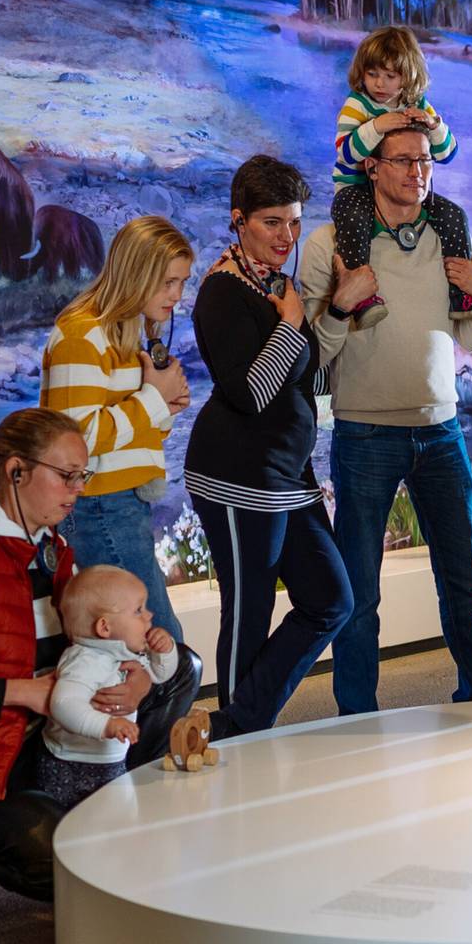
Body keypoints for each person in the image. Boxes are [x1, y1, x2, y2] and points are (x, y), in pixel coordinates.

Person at [0, 409, 202, 924]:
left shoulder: (55, 552)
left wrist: (133, 679)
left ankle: (103, 794)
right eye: (66, 475)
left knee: (181, 666)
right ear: (16, 471)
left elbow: (97, 645)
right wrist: (25, 693)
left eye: (81, 476)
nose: (77, 489)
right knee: (61, 848)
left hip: (39, 743)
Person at [300, 124, 472, 712]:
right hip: (365, 433)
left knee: (464, 579)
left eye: (425, 161)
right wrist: (342, 305)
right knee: (360, 592)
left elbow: (467, 332)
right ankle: (356, 714)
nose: (417, 172)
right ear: (372, 168)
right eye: (403, 161)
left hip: (441, 429)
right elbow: (312, 352)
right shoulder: (331, 245)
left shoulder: (448, 236)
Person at [185, 155, 352, 737]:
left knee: (332, 600)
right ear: (239, 220)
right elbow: (252, 392)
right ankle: (236, 747)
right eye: (272, 223)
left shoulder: (279, 284)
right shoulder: (221, 292)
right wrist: (289, 324)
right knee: (249, 614)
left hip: (288, 477)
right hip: (235, 477)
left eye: (295, 222)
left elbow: (304, 381)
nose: (288, 236)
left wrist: (335, 313)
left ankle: (237, 724)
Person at [42, 215, 193, 642]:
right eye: (168, 282)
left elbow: (123, 435)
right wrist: (153, 400)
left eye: (181, 283)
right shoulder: (83, 335)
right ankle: (169, 712)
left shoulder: (120, 335)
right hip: (99, 506)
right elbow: (75, 442)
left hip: (119, 503)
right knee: (158, 642)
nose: (176, 296)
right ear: (136, 272)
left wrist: (163, 408)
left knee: (146, 643)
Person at [330, 25, 472, 325]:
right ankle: (362, 296)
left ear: (407, 77)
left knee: (453, 216)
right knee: (354, 218)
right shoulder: (356, 105)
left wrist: (433, 125)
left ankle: (461, 294)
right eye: (372, 74)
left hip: (405, 193)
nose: (379, 84)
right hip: (356, 188)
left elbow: (448, 154)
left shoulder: (417, 104)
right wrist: (379, 126)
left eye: (389, 76)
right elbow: (347, 153)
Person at [36, 565, 181, 809]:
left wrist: (164, 652)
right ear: (104, 627)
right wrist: (108, 725)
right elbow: (62, 704)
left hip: (109, 759)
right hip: (71, 765)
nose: (149, 615)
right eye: (138, 610)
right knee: (78, 823)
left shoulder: (122, 649)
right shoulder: (85, 661)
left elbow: (159, 674)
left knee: (118, 818)